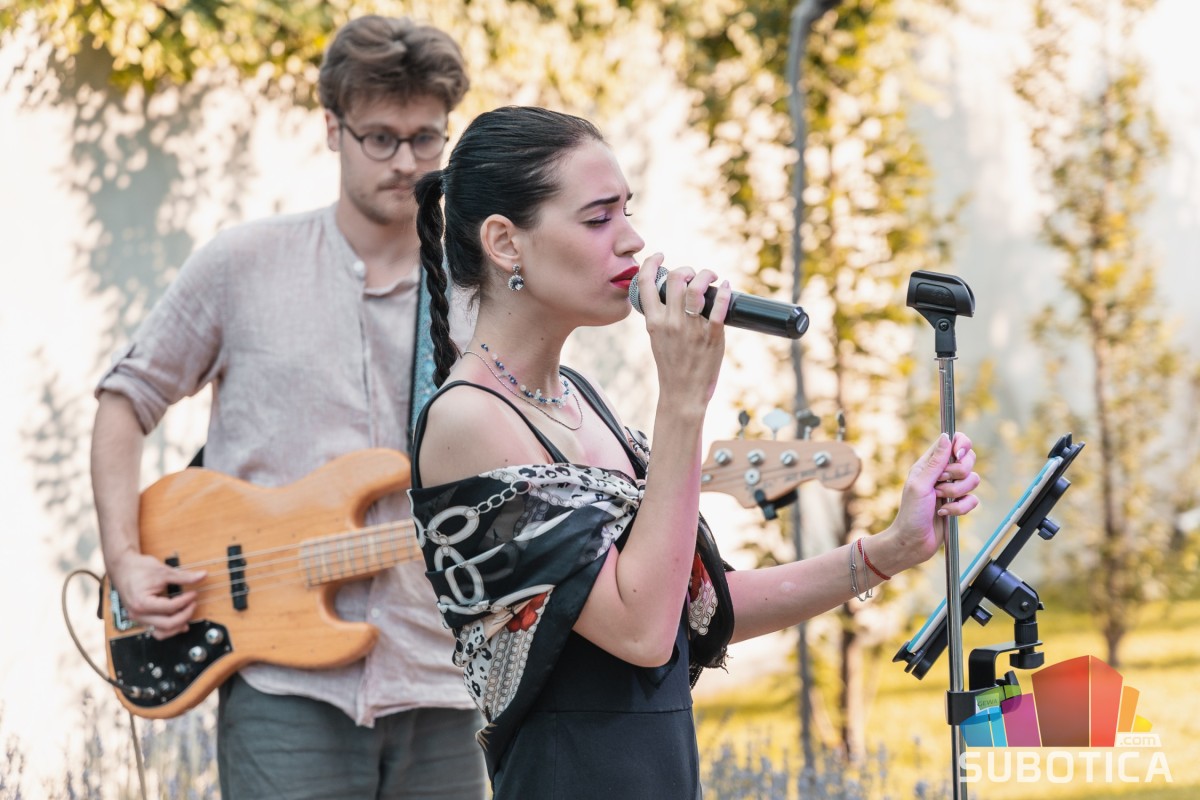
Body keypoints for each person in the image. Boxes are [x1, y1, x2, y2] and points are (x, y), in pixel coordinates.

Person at [405, 105, 982, 798]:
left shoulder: (579, 398)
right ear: (505, 242)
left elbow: (698, 608)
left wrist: (890, 549)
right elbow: (641, 632)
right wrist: (683, 399)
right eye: (599, 218)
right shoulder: (469, 419)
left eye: (627, 212)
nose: (633, 240)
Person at [89, 16, 488, 799]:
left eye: (425, 139)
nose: (406, 163)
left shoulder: (482, 290)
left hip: (440, 676)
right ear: (333, 129)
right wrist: (125, 557)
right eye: (380, 138)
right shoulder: (242, 264)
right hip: (280, 687)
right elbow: (123, 401)